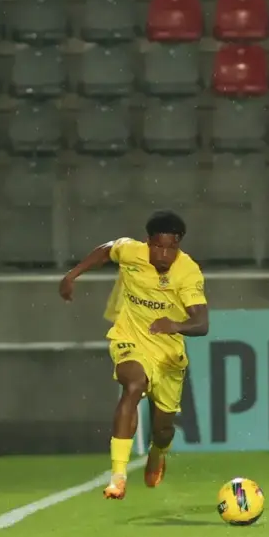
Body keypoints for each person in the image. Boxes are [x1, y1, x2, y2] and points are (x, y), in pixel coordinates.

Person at [59, 210, 209, 501]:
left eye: (171, 248)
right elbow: (106, 251)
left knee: (163, 429)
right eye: (158, 247)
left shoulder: (188, 272)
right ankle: (118, 476)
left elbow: (202, 324)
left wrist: (174, 325)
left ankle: (158, 452)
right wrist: (72, 274)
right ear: (148, 242)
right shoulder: (132, 252)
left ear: (179, 245)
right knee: (133, 385)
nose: (164, 255)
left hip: (167, 351)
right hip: (130, 337)